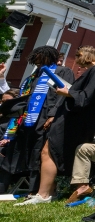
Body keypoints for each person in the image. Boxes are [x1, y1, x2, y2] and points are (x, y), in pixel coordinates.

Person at [33, 46, 95, 204]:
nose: (78, 61)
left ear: (86, 55)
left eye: (79, 56)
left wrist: (67, 92)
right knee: (49, 151)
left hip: (76, 121)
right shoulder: (92, 72)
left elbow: (90, 96)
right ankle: (48, 192)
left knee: (49, 151)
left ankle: (43, 194)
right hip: (69, 119)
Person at [6, 47, 72, 203]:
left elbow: (64, 95)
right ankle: (32, 189)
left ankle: (40, 191)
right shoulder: (33, 76)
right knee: (30, 154)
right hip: (30, 119)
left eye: (39, 58)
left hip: (46, 117)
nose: (36, 61)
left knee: (41, 153)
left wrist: (53, 115)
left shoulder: (62, 71)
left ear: (49, 57)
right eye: (34, 59)